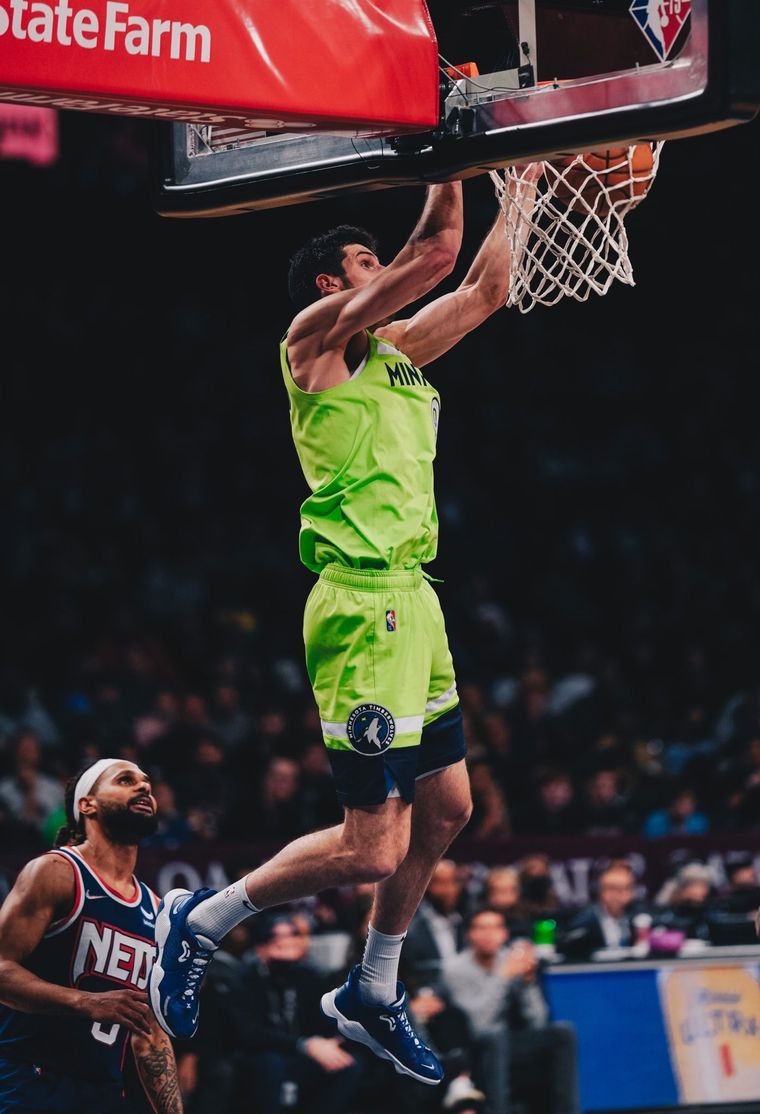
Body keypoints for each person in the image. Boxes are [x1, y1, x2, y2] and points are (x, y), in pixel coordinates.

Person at [149, 171, 541, 1085]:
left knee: (450, 809)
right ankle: (203, 917)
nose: (386, 269)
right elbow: (434, 255)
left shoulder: (396, 351)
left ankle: (371, 988)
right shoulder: (312, 344)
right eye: (369, 262)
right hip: (362, 608)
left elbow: (484, 287)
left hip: (417, 597)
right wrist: (453, 156)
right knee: (372, 848)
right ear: (333, 285)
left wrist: (525, 182)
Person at [0, 758, 182, 1113]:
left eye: (146, 781)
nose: (144, 787)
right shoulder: (57, 871)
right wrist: (85, 1002)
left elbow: (151, 1033)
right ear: (87, 805)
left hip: (103, 1091)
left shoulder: (157, 908)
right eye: (125, 780)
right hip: (31, 1080)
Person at [443, 908, 580, 1114]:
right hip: (473, 1048)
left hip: (511, 1041)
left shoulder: (512, 959)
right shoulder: (455, 969)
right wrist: (503, 976)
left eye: (495, 928)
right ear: (470, 934)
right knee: (495, 1039)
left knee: (563, 1032)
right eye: (481, 928)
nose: (489, 935)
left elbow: (538, 1021)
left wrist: (528, 983)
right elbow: (479, 1025)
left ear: (505, 934)